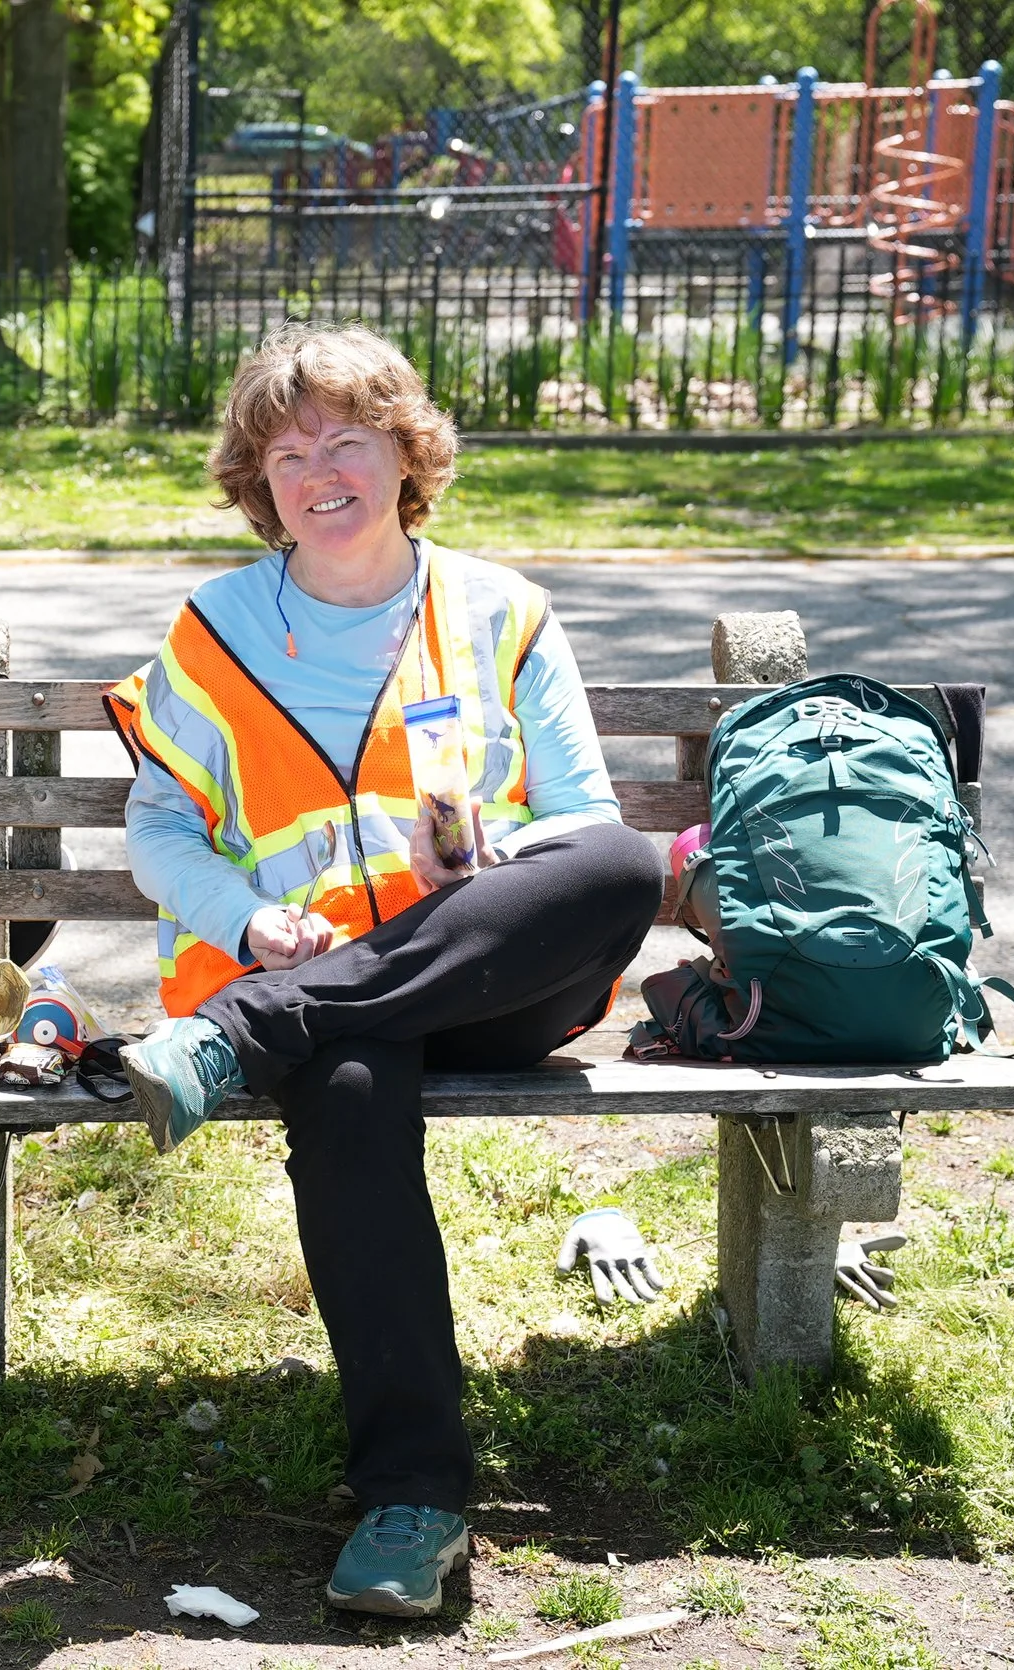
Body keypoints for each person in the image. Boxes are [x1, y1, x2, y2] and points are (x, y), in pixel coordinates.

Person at [105, 322, 663, 1619]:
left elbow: (582, 819)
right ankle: (414, 1500)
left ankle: (248, 1030)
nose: (318, 471)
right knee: (350, 1085)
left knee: (627, 866)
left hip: (491, 982)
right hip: (332, 1005)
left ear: (406, 454)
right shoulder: (217, 626)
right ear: (258, 483)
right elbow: (159, 829)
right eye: (285, 452)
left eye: (346, 440)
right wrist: (248, 923)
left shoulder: (501, 611)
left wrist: (489, 850)